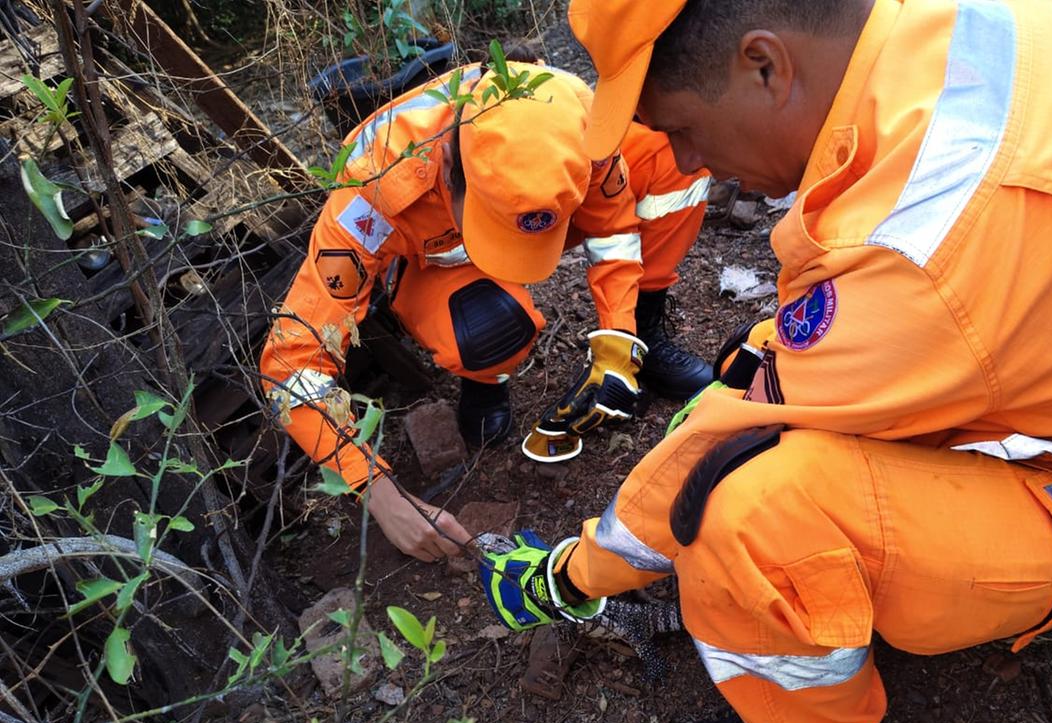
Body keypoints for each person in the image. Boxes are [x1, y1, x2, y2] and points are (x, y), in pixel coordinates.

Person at [478, 0, 1052, 723]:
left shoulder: (932, 245)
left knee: (746, 504)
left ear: (764, 65)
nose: (683, 161)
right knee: (753, 390)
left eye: (678, 128)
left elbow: (726, 439)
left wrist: (575, 574)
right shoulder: (994, 28)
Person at [260, 57, 713, 562]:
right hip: (442, 262)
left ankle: (646, 338)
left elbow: (614, 226)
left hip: (554, 216)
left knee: (670, 159)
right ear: (450, 171)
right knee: (490, 328)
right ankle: (486, 377)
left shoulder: (577, 124)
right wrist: (378, 492)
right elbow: (290, 364)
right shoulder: (375, 189)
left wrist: (619, 339)